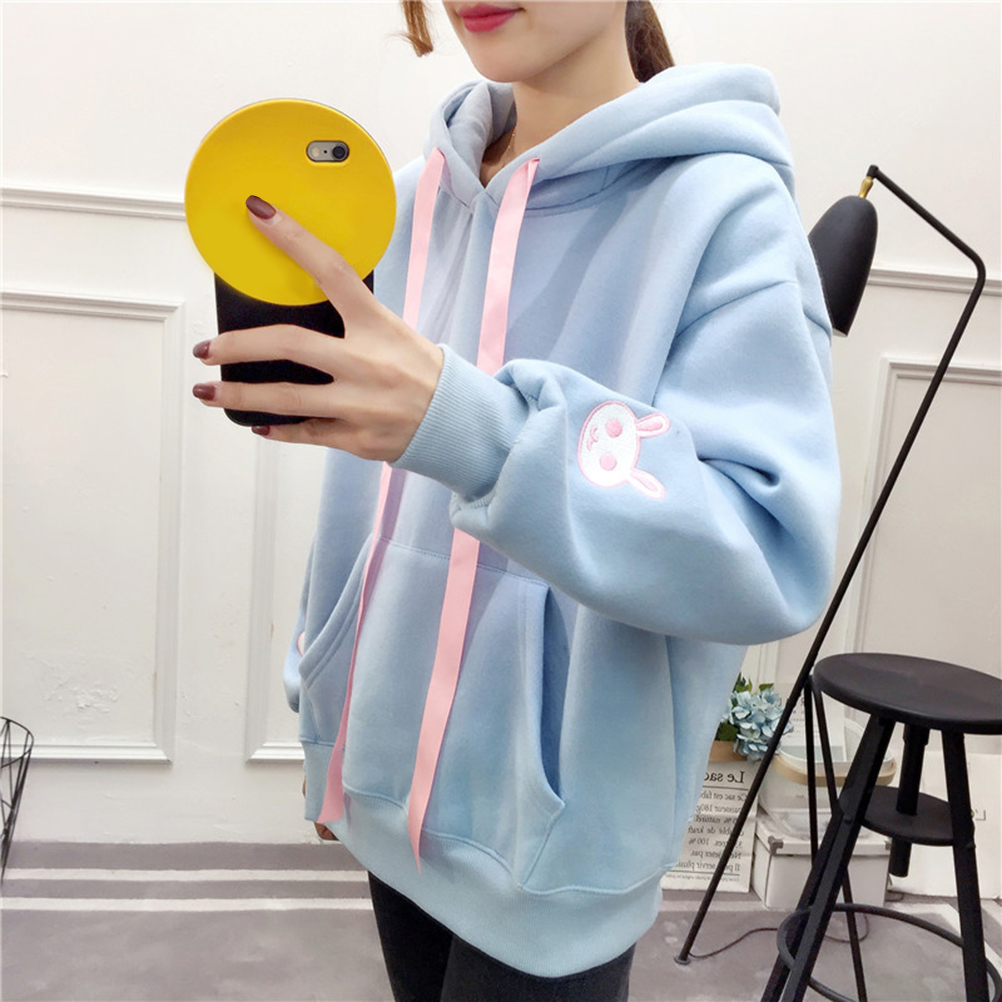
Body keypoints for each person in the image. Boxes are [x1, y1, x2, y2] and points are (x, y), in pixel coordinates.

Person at [192, 2, 840, 998]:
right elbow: (365, 504)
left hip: (557, 848)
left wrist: (479, 430)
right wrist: (327, 709)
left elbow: (766, 550)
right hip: (383, 791)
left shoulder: (724, 213)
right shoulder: (414, 197)